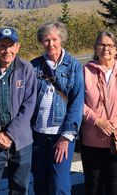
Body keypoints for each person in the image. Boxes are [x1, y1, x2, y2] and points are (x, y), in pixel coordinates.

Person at [81, 30, 117, 195]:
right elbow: (77, 103)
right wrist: (97, 122)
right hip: (91, 139)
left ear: (116, 49)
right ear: (95, 48)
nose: (105, 48)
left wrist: (110, 126)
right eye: (101, 44)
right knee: (93, 185)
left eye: (109, 45)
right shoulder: (85, 72)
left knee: (116, 184)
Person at [30, 21, 84, 195]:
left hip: (61, 136)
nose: (50, 44)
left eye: (54, 39)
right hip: (37, 135)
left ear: (61, 40)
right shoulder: (34, 66)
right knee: (40, 182)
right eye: (46, 40)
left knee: (59, 185)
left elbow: (77, 103)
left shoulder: (74, 66)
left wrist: (66, 138)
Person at [0, 28, 37, 195]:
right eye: (3, 46)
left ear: (18, 47)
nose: (7, 50)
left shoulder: (26, 69)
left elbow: (29, 105)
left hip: (21, 139)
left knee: (20, 188)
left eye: (11, 46)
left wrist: (10, 134)